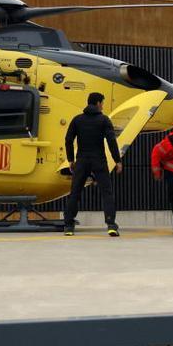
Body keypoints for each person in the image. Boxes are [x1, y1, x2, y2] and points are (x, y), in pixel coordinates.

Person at [63, 92, 123, 237]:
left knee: (75, 192)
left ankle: (69, 226)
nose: (102, 106)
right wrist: (117, 160)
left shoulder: (77, 120)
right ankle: (111, 225)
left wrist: (71, 160)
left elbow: (68, 139)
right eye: (102, 103)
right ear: (97, 103)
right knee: (106, 192)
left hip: (82, 161)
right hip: (99, 160)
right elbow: (111, 141)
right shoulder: (104, 120)